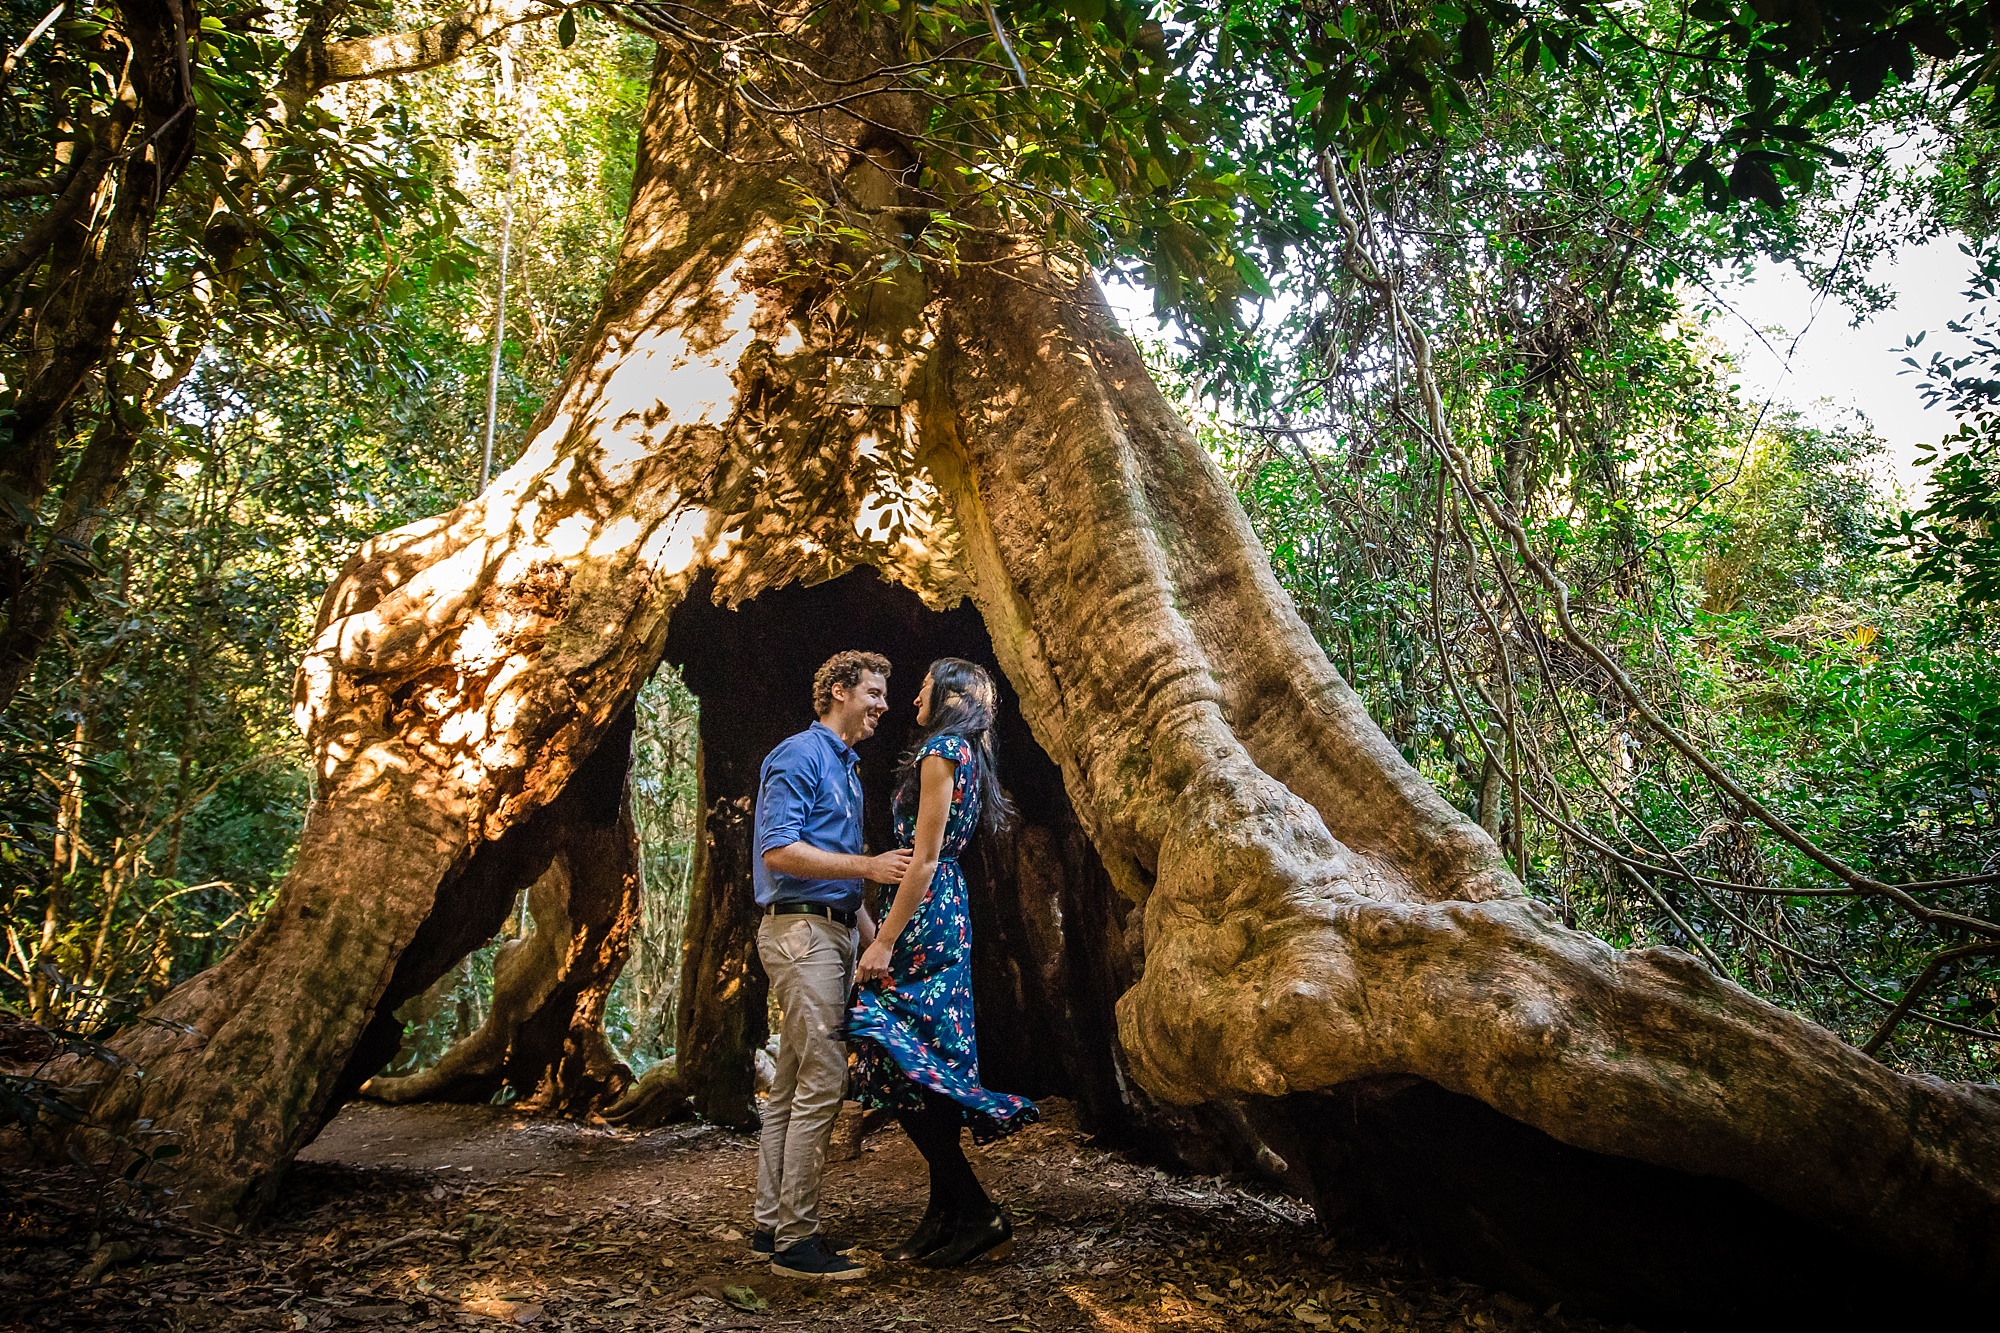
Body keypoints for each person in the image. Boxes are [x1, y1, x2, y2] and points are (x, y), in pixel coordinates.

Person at [847, 657, 1039, 1268]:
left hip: (925, 910)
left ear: (950, 696)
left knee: (905, 1054)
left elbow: (923, 858)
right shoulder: (970, 752)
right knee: (928, 1055)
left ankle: (978, 1209)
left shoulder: (942, 752)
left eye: (922, 689)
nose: (912, 702)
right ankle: (945, 1213)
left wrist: (881, 940)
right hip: (947, 909)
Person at [753, 650, 912, 1282]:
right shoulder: (801, 754)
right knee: (823, 1079)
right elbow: (779, 851)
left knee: (792, 1081)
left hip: (832, 932)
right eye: (874, 692)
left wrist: (875, 944)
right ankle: (798, 1241)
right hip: (800, 933)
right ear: (840, 692)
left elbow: (840, 876)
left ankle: (772, 1225)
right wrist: (872, 867)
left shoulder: (846, 768)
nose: (882, 705)